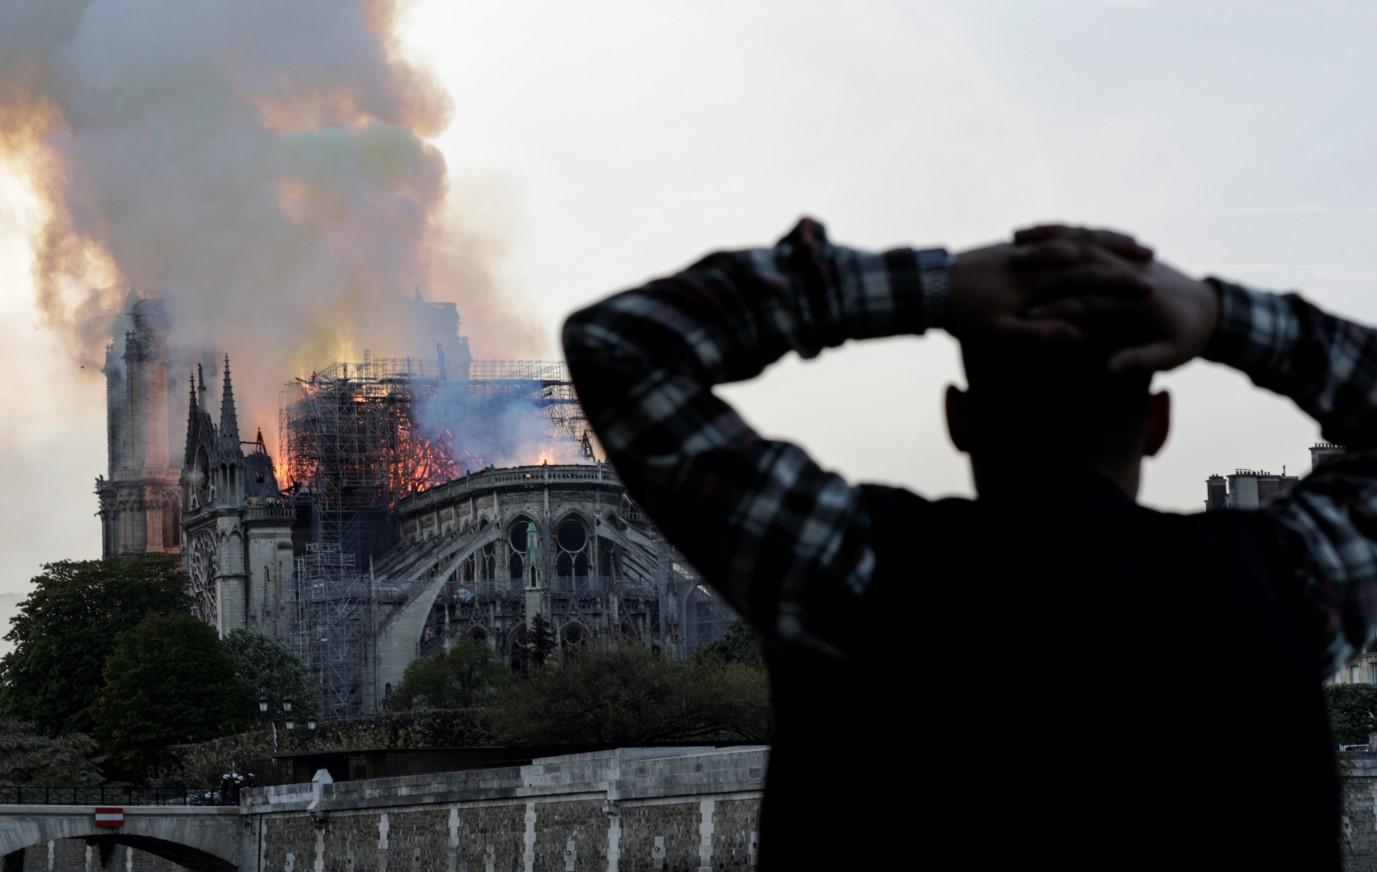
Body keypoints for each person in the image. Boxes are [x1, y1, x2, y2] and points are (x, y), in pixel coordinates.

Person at [562, 219, 1377, 869]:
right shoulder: (1287, 583)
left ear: (957, 417)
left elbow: (621, 344)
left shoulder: (847, 567)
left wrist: (929, 287)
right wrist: (1220, 317)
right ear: (1158, 424)